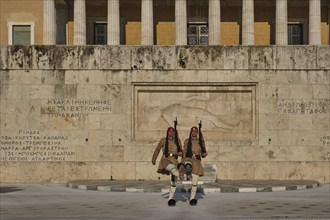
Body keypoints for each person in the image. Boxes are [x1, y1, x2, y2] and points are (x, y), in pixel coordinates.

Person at [151, 126, 184, 206]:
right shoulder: (163, 140)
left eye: (173, 132)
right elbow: (157, 149)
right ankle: (182, 175)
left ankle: (170, 199)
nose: (171, 133)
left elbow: (181, 153)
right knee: (172, 169)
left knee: (173, 182)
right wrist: (153, 159)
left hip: (174, 161)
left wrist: (181, 154)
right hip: (166, 160)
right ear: (167, 132)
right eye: (170, 132)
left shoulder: (178, 141)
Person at [180, 122, 207, 206]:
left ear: (197, 132)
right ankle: (188, 172)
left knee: (195, 182)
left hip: (197, 162)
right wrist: (182, 164)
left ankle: (192, 198)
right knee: (188, 165)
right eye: (193, 131)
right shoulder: (187, 141)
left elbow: (203, 153)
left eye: (196, 131)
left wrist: (204, 155)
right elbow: (184, 152)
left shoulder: (200, 142)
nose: (194, 133)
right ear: (191, 132)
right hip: (189, 159)